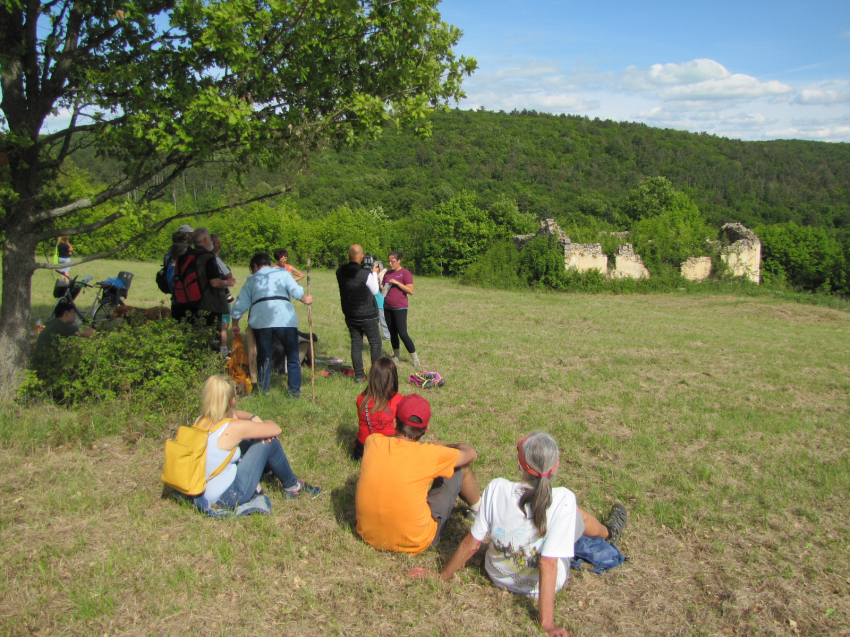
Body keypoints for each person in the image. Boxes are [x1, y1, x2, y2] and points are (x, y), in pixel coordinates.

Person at [409, 432, 628, 637]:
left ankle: (607, 531)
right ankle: (608, 531)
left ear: (519, 465)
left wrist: (441, 576)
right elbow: (548, 563)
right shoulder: (564, 500)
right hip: (537, 587)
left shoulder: (496, 489)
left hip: (497, 575)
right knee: (579, 517)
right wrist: (547, 623)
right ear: (556, 466)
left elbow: (472, 544)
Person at [355, 394, 481, 554]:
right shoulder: (430, 453)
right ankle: (478, 509)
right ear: (426, 429)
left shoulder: (373, 442)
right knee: (461, 467)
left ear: (394, 421)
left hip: (368, 535)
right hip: (416, 542)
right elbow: (471, 454)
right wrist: (446, 445)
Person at [193, 375, 320, 514]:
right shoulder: (233, 427)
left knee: (247, 441)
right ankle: (293, 486)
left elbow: (235, 414)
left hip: (202, 491)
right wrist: (258, 421)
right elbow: (276, 429)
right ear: (232, 401)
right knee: (267, 442)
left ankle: (268, 470)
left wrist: (251, 417)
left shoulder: (200, 421)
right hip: (229, 496)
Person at [230, 252, 312, 397]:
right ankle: (294, 392)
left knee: (264, 356)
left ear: (255, 266)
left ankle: (263, 390)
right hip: (285, 319)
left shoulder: (252, 279)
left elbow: (241, 302)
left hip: (262, 320)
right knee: (293, 356)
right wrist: (306, 298)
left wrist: (235, 322)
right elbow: (296, 290)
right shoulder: (283, 273)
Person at [172, 228, 236, 345]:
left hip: (184, 303)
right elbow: (215, 282)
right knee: (210, 340)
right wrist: (228, 282)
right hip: (207, 306)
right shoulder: (208, 258)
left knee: (189, 339)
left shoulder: (184, 256)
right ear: (206, 240)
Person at [336, 244, 382, 383]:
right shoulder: (365, 274)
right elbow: (375, 291)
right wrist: (374, 272)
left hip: (350, 314)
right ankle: (375, 377)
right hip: (367, 314)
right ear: (362, 257)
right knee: (375, 344)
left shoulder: (339, 271)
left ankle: (359, 376)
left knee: (356, 344)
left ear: (348, 256)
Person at [352, 356, 403, 460]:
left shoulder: (361, 399)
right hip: (388, 451)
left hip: (362, 452)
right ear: (393, 378)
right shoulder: (398, 399)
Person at [383, 251, 419, 366]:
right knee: (392, 333)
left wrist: (397, 283)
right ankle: (396, 355)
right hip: (387, 306)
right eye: (389, 261)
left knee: (402, 333)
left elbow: (411, 291)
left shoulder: (405, 273)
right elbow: (383, 290)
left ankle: (415, 358)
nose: (390, 263)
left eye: (393, 261)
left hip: (400, 307)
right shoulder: (387, 274)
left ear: (399, 261)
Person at [211, 234, 234, 354]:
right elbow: (229, 276)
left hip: (214, 299)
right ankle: (224, 352)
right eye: (216, 243)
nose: (220, 245)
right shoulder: (214, 259)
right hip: (222, 298)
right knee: (224, 326)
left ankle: (218, 350)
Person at [373, 260, 391, 340]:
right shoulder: (374, 277)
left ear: (379, 269)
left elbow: (385, 291)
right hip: (374, 303)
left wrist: (379, 282)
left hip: (381, 303)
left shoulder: (384, 277)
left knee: (384, 321)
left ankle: (388, 336)